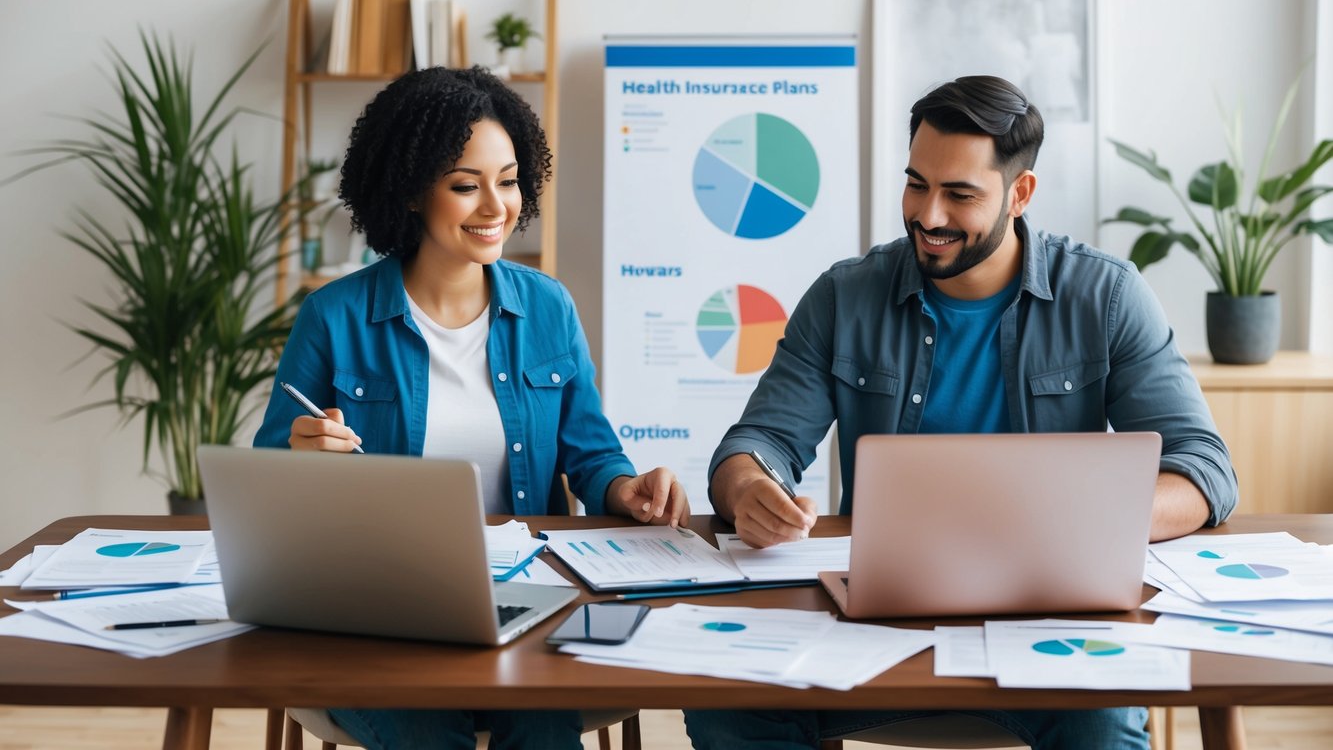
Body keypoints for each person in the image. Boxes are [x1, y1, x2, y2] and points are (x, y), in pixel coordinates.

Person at [683, 76, 1237, 750]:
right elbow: (756, 442)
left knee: (1101, 724)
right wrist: (751, 491)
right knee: (725, 705)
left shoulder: (1106, 296)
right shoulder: (843, 296)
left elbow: (1203, 469)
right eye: (916, 184)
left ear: (1020, 193)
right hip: (874, 623)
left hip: (1049, 624)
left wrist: (1087, 525)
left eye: (959, 194)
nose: (928, 214)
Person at [254, 66, 689, 750]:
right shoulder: (333, 317)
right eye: (465, 185)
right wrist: (300, 458)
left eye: (508, 180)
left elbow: (592, 454)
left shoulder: (547, 306)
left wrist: (626, 488)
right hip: (381, 610)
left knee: (544, 733)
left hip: (531, 603)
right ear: (410, 194)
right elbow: (266, 490)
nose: (496, 207)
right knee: (428, 732)